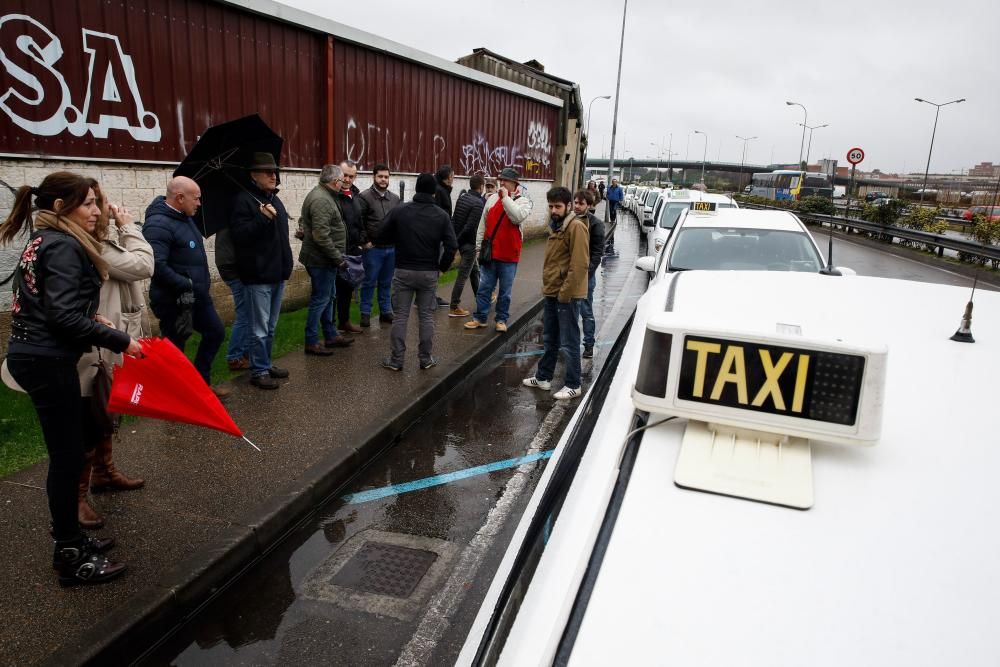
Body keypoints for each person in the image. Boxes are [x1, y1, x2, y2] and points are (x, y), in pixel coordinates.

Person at [2, 171, 141, 586]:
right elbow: (60, 315)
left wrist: (87, 317)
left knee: (76, 445)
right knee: (66, 459)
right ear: (61, 207)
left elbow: (45, 304)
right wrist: (120, 339)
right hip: (46, 360)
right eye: (88, 204)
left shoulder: (44, 239)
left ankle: (73, 537)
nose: (97, 211)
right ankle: (69, 552)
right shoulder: (63, 245)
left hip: (38, 354)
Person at [75, 182, 153, 530]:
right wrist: (129, 226)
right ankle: (76, 498)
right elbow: (142, 265)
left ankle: (105, 473)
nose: (103, 209)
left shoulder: (103, 242)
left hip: (113, 338)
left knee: (108, 409)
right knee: (89, 418)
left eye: (100, 202)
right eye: (94, 203)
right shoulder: (94, 246)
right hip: (96, 345)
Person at [143, 176, 228, 397]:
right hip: (174, 300)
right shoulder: (158, 224)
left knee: (216, 332)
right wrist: (186, 284)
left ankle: (200, 385)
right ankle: (176, 396)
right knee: (175, 347)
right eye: (196, 198)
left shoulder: (185, 217)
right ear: (180, 198)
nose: (199, 203)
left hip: (196, 297)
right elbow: (156, 265)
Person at [376, 173, 458, 371]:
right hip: (429, 272)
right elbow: (452, 246)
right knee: (426, 316)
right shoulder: (441, 215)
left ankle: (397, 360)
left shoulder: (400, 211)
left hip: (403, 269)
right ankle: (425, 359)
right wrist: (442, 267)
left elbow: (380, 235)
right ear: (433, 192)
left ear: (416, 189)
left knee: (401, 316)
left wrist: (398, 239)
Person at [230, 152, 293, 390]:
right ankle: (258, 370)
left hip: (277, 273)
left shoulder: (275, 200)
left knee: (270, 326)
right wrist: (261, 219)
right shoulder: (243, 200)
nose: (273, 175)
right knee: (258, 328)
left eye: (274, 171)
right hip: (258, 276)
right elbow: (240, 236)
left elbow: (280, 238)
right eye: (267, 172)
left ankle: (265, 363)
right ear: (253, 175)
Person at [522, 187, 589, 401]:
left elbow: (579, 265)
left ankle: (573, 384)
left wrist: (565, 294)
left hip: (565, 294)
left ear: (568, 206)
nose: (554, 210)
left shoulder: (575, 227)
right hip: (552, 291)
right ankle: (543, 377)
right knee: (550, 338)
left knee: (569, 341)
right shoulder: (556, 226)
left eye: (558, 206)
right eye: (551, 206)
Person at [464, 167, 532, 333]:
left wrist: (505, 198)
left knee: (505, 292)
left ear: (514, 183)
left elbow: (516, 216)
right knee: (484, 288)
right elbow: (483, 223)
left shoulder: (523, 201)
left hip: (509, 255)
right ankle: (480, 317)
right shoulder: (491, 199)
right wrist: (478, 247)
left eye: (505, 180)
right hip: (490, 253)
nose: (501, 183)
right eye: (500, 180)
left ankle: (501, 319)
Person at [298, 164, 355, 356]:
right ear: (335, 181)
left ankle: (330, 335)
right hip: (321, 260)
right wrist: (338, 258)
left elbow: (309, 223)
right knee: (320, 300)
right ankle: (311, 341)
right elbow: (321, 235)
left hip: (325, 260)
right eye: (342, 180)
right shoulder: (322, 199)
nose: (344, 183)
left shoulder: (325, 195)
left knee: (328, 297)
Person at [358, 163, 400, 327]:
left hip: (391, 248)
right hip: (373, 249)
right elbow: (359, 222)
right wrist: (365, 241)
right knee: (369, 282)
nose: (383, 180)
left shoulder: (395, 198)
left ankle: (386, 312)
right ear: (373, 177)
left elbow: (398, 221)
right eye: (380, 176)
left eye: (386, 177)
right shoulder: (364, 197)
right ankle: (365, 313)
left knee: (386, 282)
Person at [334, 160, 367, 334]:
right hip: (336, 251)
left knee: (347, 287)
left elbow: (360, 222)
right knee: (332, 292)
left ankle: (344, 321)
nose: (347, 179)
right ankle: (330, 327)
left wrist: (361, 243)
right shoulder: (333, 195)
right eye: (344, 175)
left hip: (353, 250)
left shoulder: (355, 196)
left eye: (351, 176)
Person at [572, 190, 606, 359]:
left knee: (585, 311)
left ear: (589, 205)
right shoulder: (568, 221)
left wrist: (586, 273)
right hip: (568, 275)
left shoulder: (596, 224)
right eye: (575, 202)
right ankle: (568, 344)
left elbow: (597, 253)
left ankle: (588, 345)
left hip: (585, 276)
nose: (577, 206)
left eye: (581, 203)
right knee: (568, 312)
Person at [448, 174, 487, 317]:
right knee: (463, 275)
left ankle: (482, 299)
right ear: (481, 186)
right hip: (468, 244)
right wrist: (457, 241)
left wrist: (454, 239)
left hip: (461, 242)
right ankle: (454, 306)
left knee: (474, 271)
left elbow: (454, 220)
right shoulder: (478, 203)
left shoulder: (462, 198)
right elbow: (470, 227)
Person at [214, 224, 250, 372]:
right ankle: (234, 357)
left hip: (229, 265)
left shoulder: (226, 216)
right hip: (233, 267)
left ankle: (245, 354)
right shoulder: (232, 216)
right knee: (244, 314)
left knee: (247, 313)